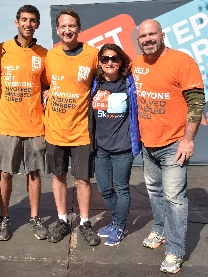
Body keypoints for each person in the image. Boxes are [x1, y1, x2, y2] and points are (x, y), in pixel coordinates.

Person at [133, 19, 205, 274]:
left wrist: (187, 140)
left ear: (162, 35)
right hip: (147, 142)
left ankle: (175, 251)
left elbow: (196, 102)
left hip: (174, 143)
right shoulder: (136, 63)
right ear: (138, 40)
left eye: (152, 34)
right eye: (143, 36)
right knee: (154, 190)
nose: (148, 39)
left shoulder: (181, 61)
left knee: (174, 198)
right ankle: (160, 230)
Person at [44, 9, 101, 246]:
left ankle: (85, 222)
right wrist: (46, 92)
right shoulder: (50, 56)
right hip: (55, 130)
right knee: (58, 176)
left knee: (83, 179)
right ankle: (62, 220)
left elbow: (106, 78)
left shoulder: (93, 55)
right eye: (63, 27)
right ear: (57, 30)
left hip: (81, 130)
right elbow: (45, 84)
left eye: (72, 26)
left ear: (79, 28)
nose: (67, 30)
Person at [0, 5, 48, 241]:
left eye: (32, 20)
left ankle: (35, 217)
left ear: (37, 25)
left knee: (33, 174)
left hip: (35, 125)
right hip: (6, 125)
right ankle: (4, 218)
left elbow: (47, 86)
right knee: (5, 174)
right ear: (16, 22)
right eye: (24, 19)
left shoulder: (44, 54)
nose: (28, 24)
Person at [89, 44, 141, 246]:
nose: (109, 62)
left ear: (121, 61)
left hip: (123, 148)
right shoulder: (95, 83)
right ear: (100, 62)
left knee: (121, 189)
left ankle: (119, 227)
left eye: (114, 58)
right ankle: (118, 221)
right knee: (104, 189)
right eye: (105, 59)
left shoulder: (129, 83)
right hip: (101, 148)